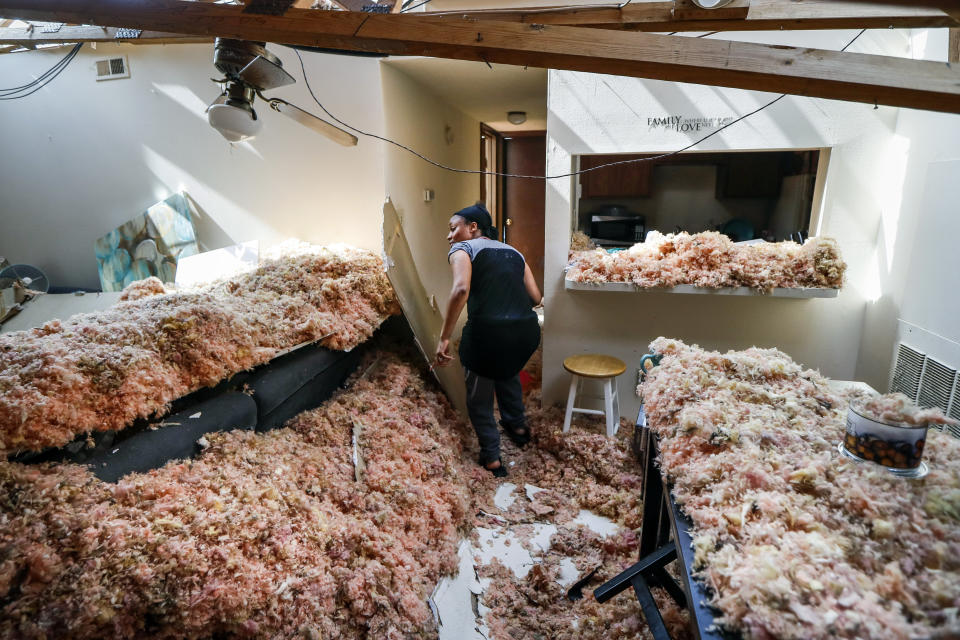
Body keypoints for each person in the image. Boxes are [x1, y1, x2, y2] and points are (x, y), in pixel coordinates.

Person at [434, 203, 542, 477]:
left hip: (487, 334)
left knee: (479, 395)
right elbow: (536, 298)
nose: (449, 236)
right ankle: (518, 428)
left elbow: (460, 290)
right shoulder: (515, 252)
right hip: (526, 333)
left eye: (453, 228)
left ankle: (492, 457)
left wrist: (444, 337)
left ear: (472, 228)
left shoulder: (463, 249)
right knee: (506, 370)